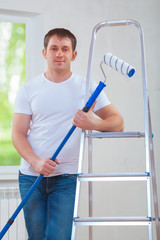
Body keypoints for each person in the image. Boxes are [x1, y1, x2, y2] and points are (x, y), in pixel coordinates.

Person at [12, 28, 124, 240]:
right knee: (36, 237)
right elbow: (17, 134)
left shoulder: (88, 88)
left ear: (73, 55)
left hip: (66, 178)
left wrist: (93, 122)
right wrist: (36, 162)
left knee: (59, 237)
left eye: (65, 49)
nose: (59, 54)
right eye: (54, 48)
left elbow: (118, 123)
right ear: (45, 53)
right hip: (30, 176)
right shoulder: (28, 89)